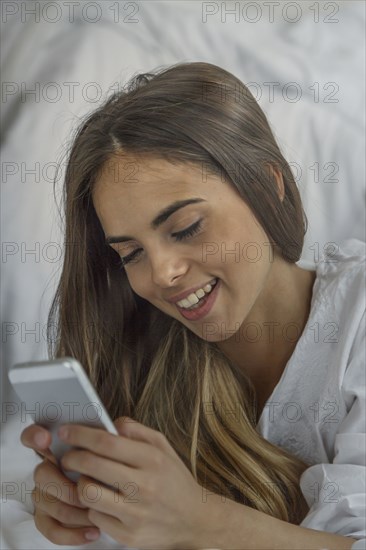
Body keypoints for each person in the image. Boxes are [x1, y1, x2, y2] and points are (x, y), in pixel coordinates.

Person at [20, 62, 365, 549]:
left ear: (268, 186)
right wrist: (74, 503)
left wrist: (200, 522)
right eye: (131, 254)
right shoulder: (139, 357)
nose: (161, 274)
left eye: (185, 228)